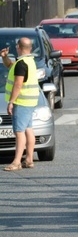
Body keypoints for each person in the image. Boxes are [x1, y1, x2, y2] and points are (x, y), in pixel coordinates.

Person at [1, 38, 39, 171]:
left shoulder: (22, 63)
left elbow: (18, 84)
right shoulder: (28, 61)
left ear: (18, 47)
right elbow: (10, 65)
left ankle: (17, 162)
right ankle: (28, 160)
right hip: (30, 101)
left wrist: (11, 102)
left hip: (21, 102)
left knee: (19, 132)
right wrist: (5, 57)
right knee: (28, 129)